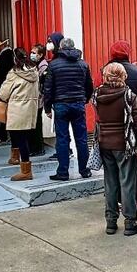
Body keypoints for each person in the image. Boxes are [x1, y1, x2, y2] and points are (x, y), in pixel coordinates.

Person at [94, 62, 137, 236]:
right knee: (127, 184)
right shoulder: (128, 95)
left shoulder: (97, 94)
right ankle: (130, 223)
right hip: (124, 145)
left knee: (110, 184)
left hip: (104, 144)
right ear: (123, 76)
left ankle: (110, 222)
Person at [44, 36, 94, 181]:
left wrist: (47, 107)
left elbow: (48, 88)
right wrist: (85, 99)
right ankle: (85, 170)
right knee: (82, 139)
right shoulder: (83, 64)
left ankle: (63, 172)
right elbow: (89, 86)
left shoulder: (54, 65)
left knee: (62, 139)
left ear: (60, 47)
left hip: (61, 105)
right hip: (78, 104)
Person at [108, 40, 137, 208]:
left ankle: (119, 197)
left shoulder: (106, 71)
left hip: (114, 124)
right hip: (136, 122)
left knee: (116, 162)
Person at [0, 48, 41, 180]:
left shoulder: (14, 73)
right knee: (23, 137)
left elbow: (3, 93)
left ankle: (25, 171)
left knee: (20, 138)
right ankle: (17, 159)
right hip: (30, 108)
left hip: (17, 108)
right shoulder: (34, 71)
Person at [28, 43, 50, 156]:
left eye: (34, 53)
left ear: (41, 54)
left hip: (39, 99)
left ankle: (38, 148)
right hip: (35, 99)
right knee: (34, 124)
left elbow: (42, 85)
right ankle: (35, 147)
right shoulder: (35, 64)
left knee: (37, 124)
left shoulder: (43, 67)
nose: (31, 54)